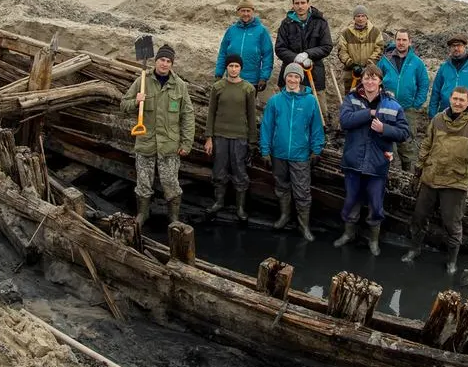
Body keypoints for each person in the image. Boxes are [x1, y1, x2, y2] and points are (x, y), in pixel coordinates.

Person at [403, 86, 468, 273]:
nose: (457, 103)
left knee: (452, 224)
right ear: (450, 99)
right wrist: (418, 172)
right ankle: (414, 249)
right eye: (455, 99)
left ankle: (451, 261)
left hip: (455, 182)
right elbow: (426, 145)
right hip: (430, 177)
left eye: (461, 100)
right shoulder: (438, 120)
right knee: (418, 217)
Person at [333, 65, 410, 255]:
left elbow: (404, 132)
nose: (370, 81)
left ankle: (373, 240)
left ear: (380, 81)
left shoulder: (392, 105)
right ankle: (348, 234)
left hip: (377, 165)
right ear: (362, 80)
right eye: (367, 78)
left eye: (374, 78)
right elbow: (345, 121)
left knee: (376, 205)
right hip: (353, 161)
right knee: (351, 201)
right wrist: (369, 113)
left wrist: (384, 129)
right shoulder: (351, 99)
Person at [120, 44, 194, 226]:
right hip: (146, 142)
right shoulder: (142, 81)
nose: (165, 64)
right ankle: (142, 214)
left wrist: (186, 143)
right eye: (162, 60)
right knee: (143, 183)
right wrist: (135, 102)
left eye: (169, 61)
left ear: (172, 64)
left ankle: (173, 218)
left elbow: (188, 115)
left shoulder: (179, 86)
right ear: (156, 61)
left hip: (169, 145)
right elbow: (123, 106)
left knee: (171, 183)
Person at [260, 62, 326, 241]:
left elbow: (316, 128)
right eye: (290, 76)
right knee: (281, 187)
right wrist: (265, 151)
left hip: (300, 154)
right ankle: (284, 216)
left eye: (296, 76)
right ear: (285, 77)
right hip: (279, 153)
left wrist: (316, 149)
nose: (293, 79)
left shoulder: (310, 101)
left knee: (302, 191)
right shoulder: (275, 101)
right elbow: (267, 127)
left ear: (300, 79)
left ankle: (304, 225)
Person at [205, 53, 257, 220]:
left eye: (236, 66)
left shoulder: (248, 88)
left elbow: (251, 115)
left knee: (239, 170)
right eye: (231, 66)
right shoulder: (218, 87)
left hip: (239, 136)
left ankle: (240, 207)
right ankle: (219, 202)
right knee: (219, 169)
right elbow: (211, 113)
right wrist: (209, 137)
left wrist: (252, 141)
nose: (234, 69)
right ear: (226, 68)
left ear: (241, 68)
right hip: (220, 135)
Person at [377, 28, 429, 172]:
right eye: (398, 39)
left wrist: (416, 103)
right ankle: (387, 173)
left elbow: (424, 84)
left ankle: (407, 175)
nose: (401, 43)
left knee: (406, 144)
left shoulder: (417, 62)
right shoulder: (384, 60)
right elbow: (376, 80)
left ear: (410, 42)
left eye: (404, 40)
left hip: (407, 109)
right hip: (387, 108)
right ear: (395, 41)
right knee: (387, 142)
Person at [274, 0, 333, 110]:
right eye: (297, 3)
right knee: (290, 107)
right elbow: (280, 48)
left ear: (308, 3)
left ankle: (322, 127)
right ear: (293, 5)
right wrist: (294, 57)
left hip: (315, 71)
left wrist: (308, 53)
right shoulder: (286, 23)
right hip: (291, 71)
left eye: (303, 3)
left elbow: (326, 46)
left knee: (318, 108)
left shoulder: (320, 22)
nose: (300, 6)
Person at [214, 0, 274, 92]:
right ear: (238, 12)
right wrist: (218, 73)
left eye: (248, 11)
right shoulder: (231, 30)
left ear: (253, 11)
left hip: (252, 80)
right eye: (243, 11)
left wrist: (264, 78)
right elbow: (222, 53)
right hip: (231, 78)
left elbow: (268, 55)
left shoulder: (262, 31)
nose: (246, 14)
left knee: (248, 107)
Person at [428, 34, 468, 118]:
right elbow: (435, 93)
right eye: (453, 46)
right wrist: (432, 115)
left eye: (459, 45)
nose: (456, 48)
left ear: (464, 46)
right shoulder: (444, 67)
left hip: (467, 116)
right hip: (445, 115)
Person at [335, 4, 384, 94]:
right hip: (351, 74)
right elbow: (342, 51)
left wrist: (368, 65)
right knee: (351, 100)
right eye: (358, 16)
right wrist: (352, 65)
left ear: (367, 17)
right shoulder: (346, 33)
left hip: (370, 75)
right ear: (354, 18)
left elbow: (379, 49)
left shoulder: (375, 32)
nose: (360, 19)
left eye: (363, 16)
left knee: (369, 99)